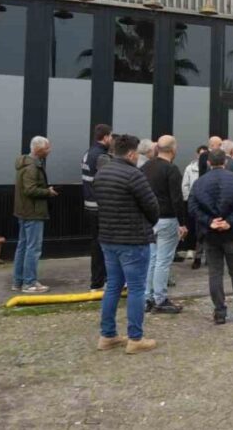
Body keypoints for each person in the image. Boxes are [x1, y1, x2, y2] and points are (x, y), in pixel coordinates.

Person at [94, 134, 160, 354]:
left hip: (108, 237)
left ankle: (107, 335)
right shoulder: (134, 175)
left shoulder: (102, 173)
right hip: (133, 239)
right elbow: (152, 208)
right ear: (132, 153)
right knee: (136, 289)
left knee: (113, 285)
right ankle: (135, 338)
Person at [190, 149, 233, 324]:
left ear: (209, 162)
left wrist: (209, 221)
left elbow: (192, 206)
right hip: (232, 233)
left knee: (215, 273)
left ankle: (219, 312)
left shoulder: (200, 182)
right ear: (225, 161)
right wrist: (230, 221)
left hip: (211, 234)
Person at [141, 135, 187, 314]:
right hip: (167, 218)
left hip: (149, 218)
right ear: (173, 150)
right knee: (163, 260)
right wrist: (182, 223)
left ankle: (147, 297)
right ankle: (160, 298)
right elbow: (176, 198)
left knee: (151, 259)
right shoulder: (171, 170)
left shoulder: (145, 167)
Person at [13, 136, 57, 294]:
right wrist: (48, 192)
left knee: (23, 246)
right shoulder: (32, 167)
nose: (49, 150)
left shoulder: (25, 163)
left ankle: (18, 281)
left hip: (23, 210)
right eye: (47, 148)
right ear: (39, 149)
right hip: (33, 212)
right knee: (33, 248)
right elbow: (30, 189)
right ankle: (29, 283)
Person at [82, 124, 113, 291]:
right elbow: (107, 181)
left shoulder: (88, 153)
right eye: (111, 136)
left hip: (89, 206)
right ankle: (104, 280)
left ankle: (96, 282)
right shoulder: (102, 156)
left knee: (96, 245)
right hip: (101, 208)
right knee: (105, 246)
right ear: (106, 137)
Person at [180, 145, 208, 266]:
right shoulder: (190, 168)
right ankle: (196, 255)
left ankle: (206, 257)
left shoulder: (210, 171)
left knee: (206, 233)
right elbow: (185, 186)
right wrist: (188, 201)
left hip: (206, 207)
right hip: (196, 204)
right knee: (197, 232)